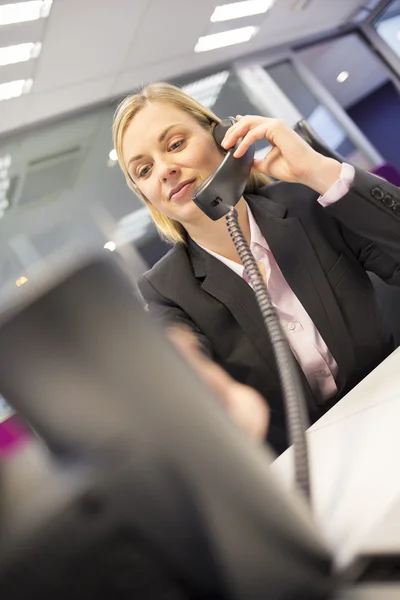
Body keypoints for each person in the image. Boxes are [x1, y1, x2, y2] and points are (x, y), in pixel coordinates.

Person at [112, 82, 400, 454]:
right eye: (144, 169)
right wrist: (199, 384)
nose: (164, 170)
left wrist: (318, 170)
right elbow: (181, 359)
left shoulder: (306, 200)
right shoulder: (166, 288)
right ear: (146, 195)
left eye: (175, 144)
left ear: (223, 136)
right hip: (315, 463)